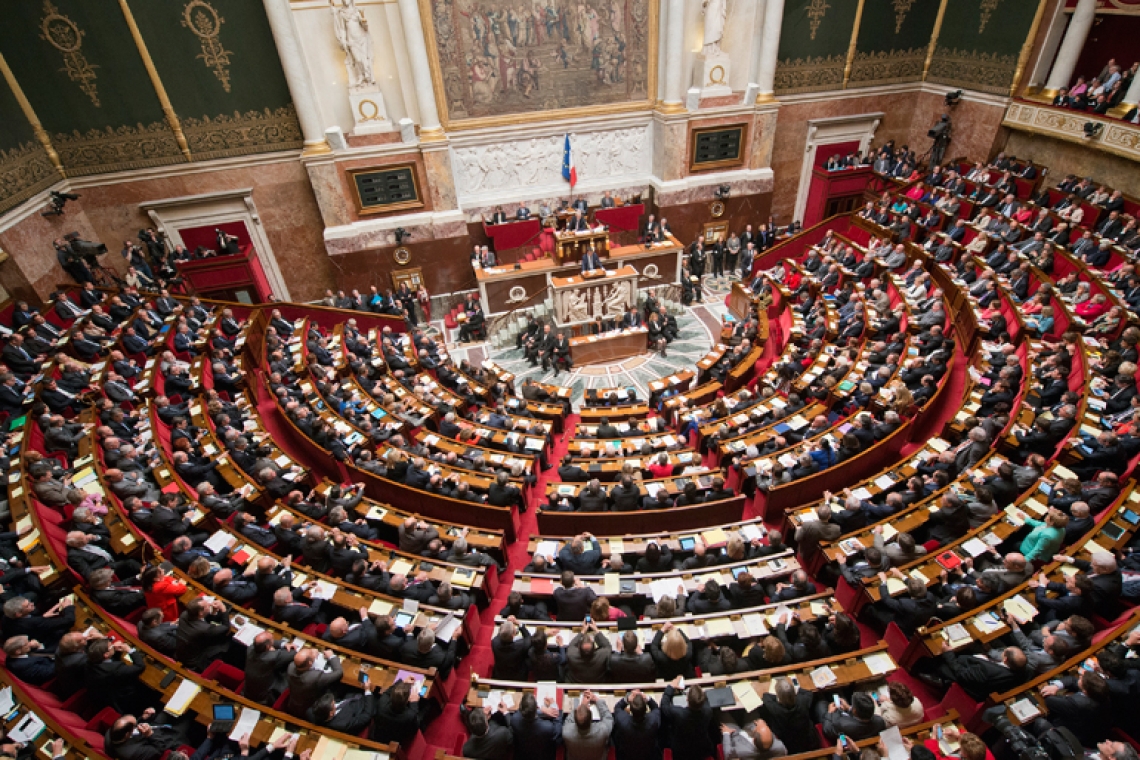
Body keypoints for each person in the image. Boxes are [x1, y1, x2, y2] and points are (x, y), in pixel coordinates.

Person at [562, 691, 613, 760]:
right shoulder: (602, 731)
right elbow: (608, 718)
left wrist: (582, 705)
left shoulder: (566, 732)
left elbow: (568, 721)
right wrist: (597, 700)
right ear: (591, 719)